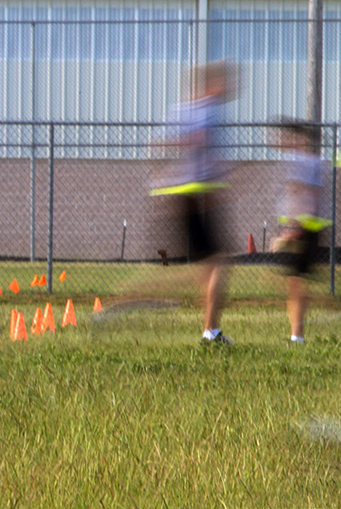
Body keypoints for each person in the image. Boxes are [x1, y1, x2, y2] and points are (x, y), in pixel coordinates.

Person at [150, 61, 234, 345]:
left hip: (186, 196)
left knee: (208, 266)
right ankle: (210, 332)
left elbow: (162, 144)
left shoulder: (183, 109)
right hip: (200, 197)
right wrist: (214, 184)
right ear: (212, 85)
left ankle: (211, 329)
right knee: (219, 263)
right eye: (224, 81)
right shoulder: (207, 111)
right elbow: (195, 140)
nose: (229, 87)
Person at [273, 120, 330, 344]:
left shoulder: (304, 162)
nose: (282, 141)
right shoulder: (305, 162)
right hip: (305, 228)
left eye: (286, 137)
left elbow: (308, 195)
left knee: (296, 282)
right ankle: (296, 334)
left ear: (299, 139)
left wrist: (293, 229)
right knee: (295, 281)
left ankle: (297, 336)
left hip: (305, 229)